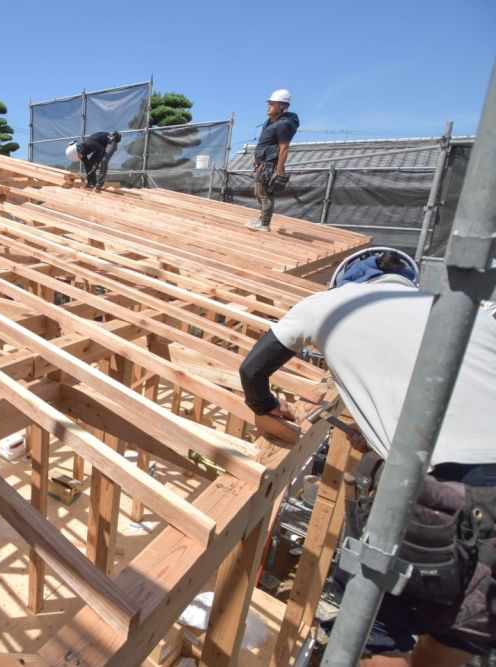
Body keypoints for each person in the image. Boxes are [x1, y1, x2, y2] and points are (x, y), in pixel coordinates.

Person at [239, 248, 496, 666]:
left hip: (439, 491)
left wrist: (265, 407)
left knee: (379, 631)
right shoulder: (463, 313)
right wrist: (383, 437)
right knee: (458, 634)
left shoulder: (331, 304)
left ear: (344, 282)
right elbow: (463, 405)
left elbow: (253, 369)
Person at [246, 89, 299, 232]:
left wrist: (279, 170)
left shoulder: (283, 125)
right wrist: (257, 159)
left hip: (270, 164)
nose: (268, 106)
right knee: (259, 192)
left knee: (264, 193)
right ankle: (262, 219)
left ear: (282, 106)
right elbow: (266, 143)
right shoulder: (270, 121)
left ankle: (264, 224)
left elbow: (284, 147)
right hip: (263, 162)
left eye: (272, 104)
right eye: (269, 103)